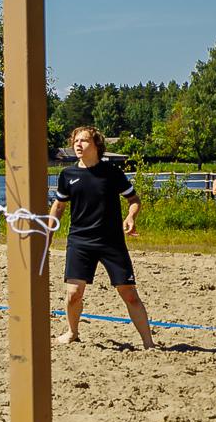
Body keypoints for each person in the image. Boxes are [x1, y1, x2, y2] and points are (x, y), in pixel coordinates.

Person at [49, 125, 156, 348]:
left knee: (129, 295)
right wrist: (48, 233)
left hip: (111, 242)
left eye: (84, 141)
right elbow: (58, 207)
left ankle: (149, 343)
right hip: (80, 241)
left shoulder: (112, 173)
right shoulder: (67, 175)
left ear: (96, 145)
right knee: (73, 294)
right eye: (76, 141)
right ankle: (72, 332)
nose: (78, 145)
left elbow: (134, 200)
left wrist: (130, 217)